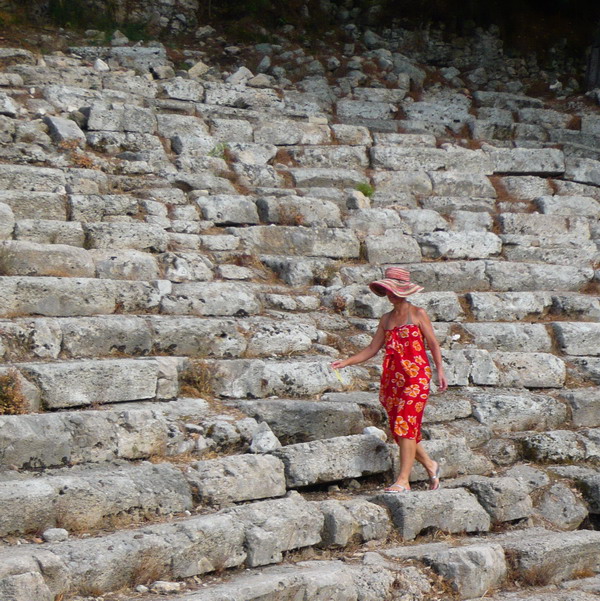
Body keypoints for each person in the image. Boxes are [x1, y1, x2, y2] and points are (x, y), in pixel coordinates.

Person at [331, 267, 448, 493]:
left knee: (405, 423)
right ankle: (430, 465)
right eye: (388, 290)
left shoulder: (418, 313)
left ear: (404, 291)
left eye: (394, 290)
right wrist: (346, 362)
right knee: (401, 428)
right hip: (393, 379)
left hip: (416, 376)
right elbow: (372, 349)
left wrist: (440, 371)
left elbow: (433, 344)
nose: (391, 294)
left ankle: (403, 480)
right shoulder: (386, 319)